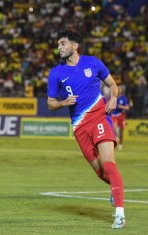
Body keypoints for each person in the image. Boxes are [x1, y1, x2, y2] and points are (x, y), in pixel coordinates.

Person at [47, 28, 125, 229]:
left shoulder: (93, 63)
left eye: (62, 43)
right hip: (80, 127)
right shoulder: (55, 73)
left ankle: (119, 214)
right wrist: (64, 102)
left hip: (100, 117)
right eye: (58, 44)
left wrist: (114, 97)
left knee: (108, 165)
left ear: (74, 46)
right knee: (100, 173)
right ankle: (116, 189)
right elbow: (50, 103)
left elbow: (113, 85)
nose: (59, 48)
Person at [112, 85, 130, 150]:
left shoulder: (124, 98)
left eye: (119, 89)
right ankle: (116, 139)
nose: (118, 90)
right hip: (114, 115)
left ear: (121, 90)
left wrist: (121, 106)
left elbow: (127, 108)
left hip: (121, 115)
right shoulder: (113, 97)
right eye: (117, 89)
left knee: (122, 131)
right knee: (113, 128)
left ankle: (120, 144)